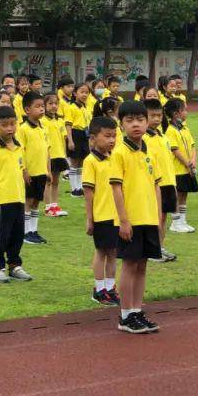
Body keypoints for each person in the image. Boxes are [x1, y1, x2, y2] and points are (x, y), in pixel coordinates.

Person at [110, 100, 163, 334]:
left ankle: (136, 310)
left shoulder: (148, 151)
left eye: (140, 120)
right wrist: (123, 220)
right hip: (130, 220)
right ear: (121, 124)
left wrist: (159, 218)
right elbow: (116, 188)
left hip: (148, 218)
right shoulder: (119, 153)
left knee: (142, 265)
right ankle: (124, 315)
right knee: (129, 265)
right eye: (130, 120)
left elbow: (157, 186)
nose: (136, 125)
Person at [0, 106, 31, 284]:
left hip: (18, 197)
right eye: (4, 125)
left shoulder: (19, 146)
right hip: (2, 199)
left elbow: (21, 167)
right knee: (1, 235)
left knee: (17, 234)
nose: (9, 128)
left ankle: (15, 265)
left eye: (12, 124)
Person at [82, 115, 120, 306]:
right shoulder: (90, 161)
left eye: (114, 136)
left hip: (116, 215)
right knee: (101, 251)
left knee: (113, 252)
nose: (112, 140)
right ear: (94, 138)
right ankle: (98, 289)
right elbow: (88, 193)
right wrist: (90, 218)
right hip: (101, 214)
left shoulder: (115, 157)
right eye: (107, 136)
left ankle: (111, 287)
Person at [143, 98, 177, 263]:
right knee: (155, 217)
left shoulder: (162, 136)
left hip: (169, 182)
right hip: (155, 184)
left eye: (159, 115)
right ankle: (152, 250)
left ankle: (159, 247)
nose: (156, 119)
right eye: (152, 116)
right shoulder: (144, 139)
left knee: (163, 217)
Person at [19, 91, 49, 245]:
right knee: (28, 201)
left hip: (41, 171)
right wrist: (24, 170)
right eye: (37, 106)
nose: (41, 109)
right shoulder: (23, 129)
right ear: (27, 110)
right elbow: (20, 151)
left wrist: (48, 170)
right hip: (29, 172)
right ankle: (25, 232)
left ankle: (34, 230)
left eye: (42, 106)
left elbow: (47, 150)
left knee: (37, 201)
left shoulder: (43, 128)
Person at [165, 99, 198, 234]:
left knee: (184, 194)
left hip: (187, 168)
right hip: (177, 169)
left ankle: (182, 220)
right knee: (176, 195)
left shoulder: (185, 128)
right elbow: (175, 150)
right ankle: (175, 222)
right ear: (176, 113)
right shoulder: (170, 130)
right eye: (184, 109)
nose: (186, 112)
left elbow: (193, 146)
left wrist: (193, 161)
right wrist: (187, 163)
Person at [42, 92, 68, 218]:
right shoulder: (42, 121)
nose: (53, 106)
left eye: (55, 104)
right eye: (50, 103)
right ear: (45, 105)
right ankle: (47, 207)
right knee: (48, 181)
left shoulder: (60, 121)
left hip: (59, 154)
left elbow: (63, 139)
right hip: (48, 155)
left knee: (56, 182)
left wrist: (64, 154)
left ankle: (54, 204)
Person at [66, 82, 90, 197]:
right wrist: (70, 140)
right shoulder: (71, 107)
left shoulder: (85, 108)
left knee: (81, 162)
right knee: (74, 162)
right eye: (82, 92)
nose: (84, 95)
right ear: (75, 93)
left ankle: (80, 187)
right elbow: (68, 124)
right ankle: (74, 188)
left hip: (84, 135)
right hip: (75, 134)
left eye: (86, 92)